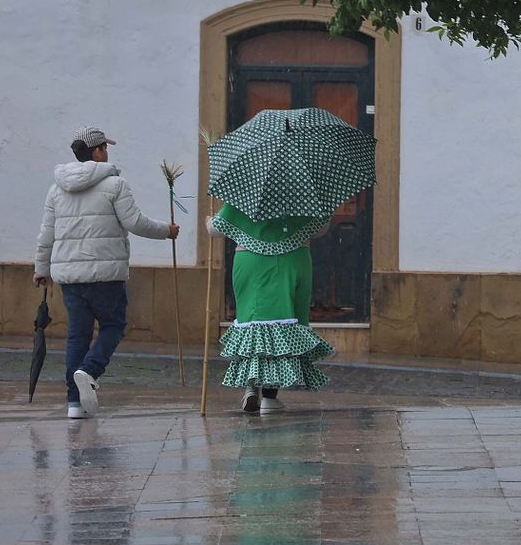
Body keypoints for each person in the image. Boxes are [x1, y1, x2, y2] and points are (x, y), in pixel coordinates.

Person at [34, 126, 179, 419]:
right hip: (106, 274)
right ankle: (89, 371)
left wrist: (41, 268)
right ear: (97, 150)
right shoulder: (115, 184)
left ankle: (74, 404)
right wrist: (167, 231)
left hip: (71, 277)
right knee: (113, 326)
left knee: (78, 335)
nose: (108, 152)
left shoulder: (56, 188)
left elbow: (46, 234)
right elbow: (135, 222)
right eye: (105, 147)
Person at [206, 202, 334, 414]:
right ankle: (270, 397)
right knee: (284, 324)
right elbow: (321, 227)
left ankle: (250, 388)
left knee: (253, 323)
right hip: (293, 260)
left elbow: (215, 230)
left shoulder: (245, 193)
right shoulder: (301, 194)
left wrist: (208, 220)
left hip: (250, 261)